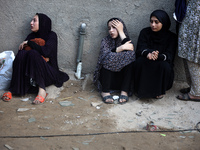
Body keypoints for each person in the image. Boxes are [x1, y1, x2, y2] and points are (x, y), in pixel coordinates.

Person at [1, 13, 69, 104]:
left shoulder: (51, 35)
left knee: (32, 53)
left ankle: (42, 90)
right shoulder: (31, 36)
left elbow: (46, 52)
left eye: (34, 21)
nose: (31, 23)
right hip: (32, 73)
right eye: (31, 20)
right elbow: (22, 55)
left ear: (42, 23)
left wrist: (30, 43)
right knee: (21, 54)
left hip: (48, 73)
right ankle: (13, 89)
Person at [134, 10, 177, 99]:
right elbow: (140, 49)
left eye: (156, 22)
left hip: (162, 61)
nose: (153, 25)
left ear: (164, 23)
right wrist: (148, 54)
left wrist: (158, 56)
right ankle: (140, 89)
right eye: (151, 21)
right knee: (139, 62)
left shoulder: (171, 37)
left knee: (164, 66)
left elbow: (169, 55)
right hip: (147, 58)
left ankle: (159, 91)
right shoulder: (145, 32)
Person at [93, 18, 135, 104]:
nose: (111, 31)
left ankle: (124, 91)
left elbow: (131, 51)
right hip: (107, 80)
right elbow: (105, 57)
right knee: (108, 59)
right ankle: (105, 92)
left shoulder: (125, 39)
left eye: (114, 27)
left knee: (130, 58)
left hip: (122, 80)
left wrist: (121, 32)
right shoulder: (105, 41)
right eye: (109, 28)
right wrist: (121, 48)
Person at [177, 0, 200, 102]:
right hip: (190, 20)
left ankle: (197, 93)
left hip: (196, 23)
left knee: (193, 56)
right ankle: (195, 87)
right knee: (186, 53)